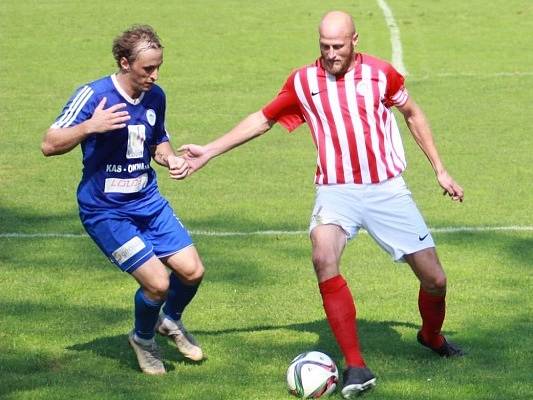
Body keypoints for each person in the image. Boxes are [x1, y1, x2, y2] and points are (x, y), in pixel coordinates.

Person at [179, 10, 465, 398]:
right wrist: (209, 151)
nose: (331, 54)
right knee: (323, 257)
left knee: (435, 280)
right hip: (335, 190)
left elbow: (412, 114)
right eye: (324, 46)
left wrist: (440, 170)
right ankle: (355, 366)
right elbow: (262, 120)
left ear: (354, 41)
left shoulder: (382, 75)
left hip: (386, 188)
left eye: (338, 46)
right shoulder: (303, 81)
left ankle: (431, 336)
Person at [41, 25, 205, 375]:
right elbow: (49, 144)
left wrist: (171, 158)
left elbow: (157, 142)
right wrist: (89, 127)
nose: (155, 75)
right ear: (124, 62)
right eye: (148, 68)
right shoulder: (93, 95)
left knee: (192, 272)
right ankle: (143, 339)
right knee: (158, 283)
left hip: (148, 201)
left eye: (159, 66)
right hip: (106, 211)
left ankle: (170, 321)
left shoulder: (156, 96)